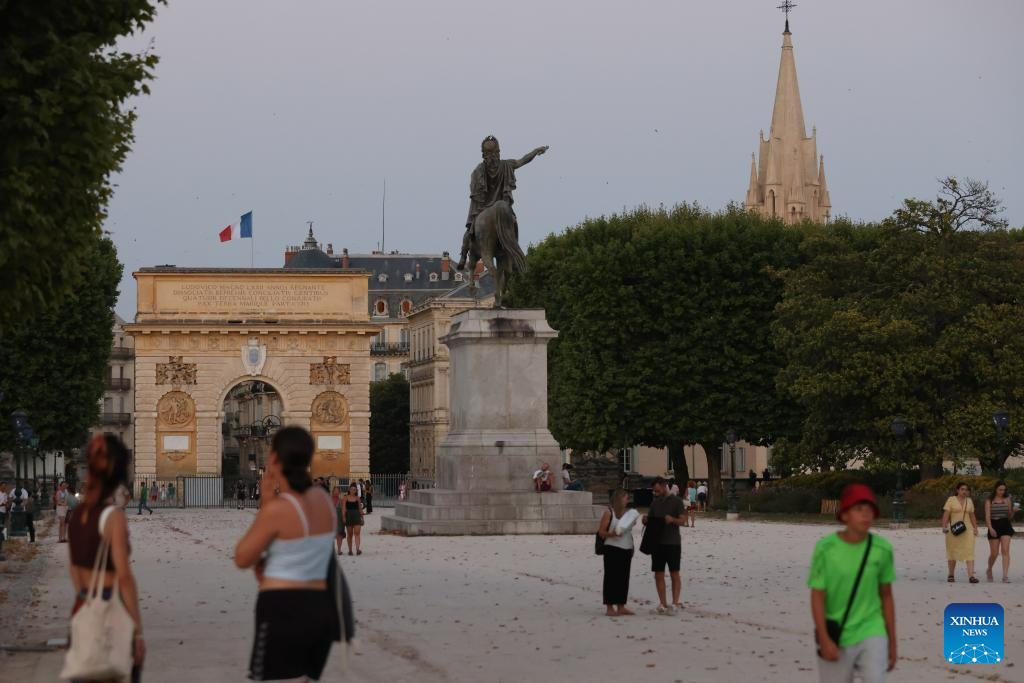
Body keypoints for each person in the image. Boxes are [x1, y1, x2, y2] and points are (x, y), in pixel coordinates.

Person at [234, 427, 339, 682]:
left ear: (273, 457)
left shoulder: (279, 509)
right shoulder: (323, 501)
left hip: (283, 608)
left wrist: (266, 503)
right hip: (321, 607)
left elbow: (243, 557)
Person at [67, 435, 144, 682]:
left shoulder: (77, 514)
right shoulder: (113, 517)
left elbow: (73, 569)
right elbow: (124, 576)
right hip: (111, 612)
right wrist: (138, 632)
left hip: (82, 606)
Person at [809, 483, 897, 682]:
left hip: (872, 629)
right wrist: (824, 638)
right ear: (845, 515)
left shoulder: (882, 549)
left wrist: (891, 643)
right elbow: (817, 597)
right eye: (859, 509)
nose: (865, 514)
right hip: (837, 632)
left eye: (870, 510)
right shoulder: (825, 549)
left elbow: (886, 596)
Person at [642, 476, 686, 614]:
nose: (656, 493)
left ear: (664, 485)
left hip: (673, 542)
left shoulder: (677, 501)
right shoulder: (655, 503)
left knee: (674, 573)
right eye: (654, 491)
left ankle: (675, 603)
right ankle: (662, 603)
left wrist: (672, 519)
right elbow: (650, 520)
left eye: (657, 490)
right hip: (656, 543)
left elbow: (683, 521)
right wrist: (645, 520)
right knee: (658, 574)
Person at [598, 489, 640, 616]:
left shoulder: (628, 514)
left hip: (626, 548)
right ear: (619, 499)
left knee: (623, 578)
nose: (628, 500)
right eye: (626, 498)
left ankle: (621, 606)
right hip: (612, 549)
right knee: (611, 578)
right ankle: (609, 607)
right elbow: (601, 532)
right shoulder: (609, 513)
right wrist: (612, 534)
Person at [942, 482, 979, 583]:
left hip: (968, 530)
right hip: (954, 530)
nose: (964, 491)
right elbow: (946, 514)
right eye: (962, 489)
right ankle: (951, 574)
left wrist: (975, 528)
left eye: (966, 490)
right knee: (952, 551)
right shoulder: (951, 500)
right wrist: (944, 526)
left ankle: (971, 576)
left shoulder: (969, 501)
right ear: (957, 490)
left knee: (969, 550)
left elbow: (972, 515)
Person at [984, 480, 1015, 583]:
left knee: (1005, 550)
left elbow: (1009, 516)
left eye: (1004, 490)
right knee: (994, 553)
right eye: (1000, 490)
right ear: (995, 489)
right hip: (994, 525)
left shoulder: (1007, 499)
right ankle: (989, 569)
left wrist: (1013, 511)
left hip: (1005, 525)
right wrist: (990, 528)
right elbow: (987, 516)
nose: (1002, 492)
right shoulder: (989, 500)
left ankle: (1005, 576)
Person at [341, 483, 364, 556]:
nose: (353, 491)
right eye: (351, 489)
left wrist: (362, 517)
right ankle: (350, 550)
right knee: (350, 534)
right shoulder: (345, 498)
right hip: (349, 516)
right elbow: (344, 508)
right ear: (349, 490)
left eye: (354, 489)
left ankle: (357, 549)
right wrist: (343, 517)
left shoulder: (358, 498)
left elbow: (360, 509)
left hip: (357, 516)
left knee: (357, 533)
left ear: (356, 491)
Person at [331, 486, 346, 555]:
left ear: (339, 492)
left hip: (339, 519)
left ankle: (339, 550)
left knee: (339, 535)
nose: (336, 492)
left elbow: (344, 510)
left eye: (338, 491)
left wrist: (344, 517)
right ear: (332, 492)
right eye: (335, 491)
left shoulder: (341, 501)